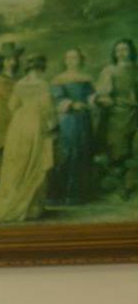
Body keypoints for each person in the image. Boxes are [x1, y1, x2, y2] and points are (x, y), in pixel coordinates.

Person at [0, 54, 56, 224]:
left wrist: (23, 113)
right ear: (41, 67)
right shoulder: (43, 84)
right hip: (35, 124)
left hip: (18, 125)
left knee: (18, 165)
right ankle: (32, 208)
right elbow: (49, 109)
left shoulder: (20, 84)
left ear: (28, 68)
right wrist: (52, 126)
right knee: (35, 164)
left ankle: (17, 202)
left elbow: (12, 106)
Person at [49, 47, 96, 205]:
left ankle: (80, 193)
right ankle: (62, 193)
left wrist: (95, 100)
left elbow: (91, 97)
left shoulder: (86, 78)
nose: (71, 61)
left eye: (75, 57)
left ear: (81, 60)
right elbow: (57, 98)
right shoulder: (58, 79)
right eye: (68, 58)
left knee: (83, 150)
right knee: (68, 152)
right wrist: (71, 104)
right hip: (67, 119)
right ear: (65, 61)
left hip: (84, 119)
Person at [95, 37, 136, 198]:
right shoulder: (109, 70)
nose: (121, 53)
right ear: (114, 53)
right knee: (120, 151)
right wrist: (106, 101)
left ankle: (130, 183)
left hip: (136, 113)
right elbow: (102, 94)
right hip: (118, 116)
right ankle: (122, 186)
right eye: (118, 50)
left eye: (125, 49)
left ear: (131, 51)